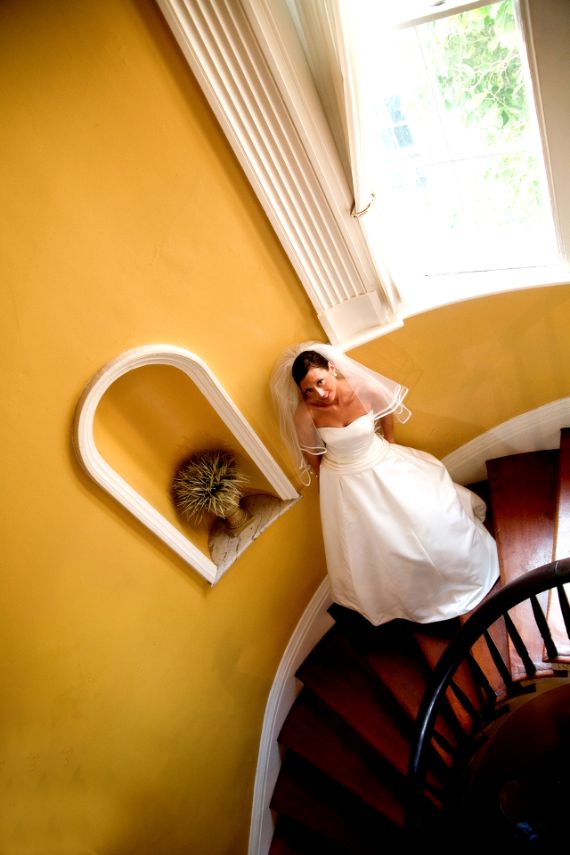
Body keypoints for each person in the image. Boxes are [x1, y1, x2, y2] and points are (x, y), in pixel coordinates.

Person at [270, 341, 500, 627]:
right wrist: (332, 483)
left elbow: (386, 410)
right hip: (344, 480)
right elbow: (312, 459)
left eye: (320, 381)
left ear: (331, 368)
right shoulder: (305, 414)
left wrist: (389, 443)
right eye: (308, 390)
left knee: (425, 519)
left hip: (378, 459)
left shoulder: (363, 387)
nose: (318, 393)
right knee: (379, 545)